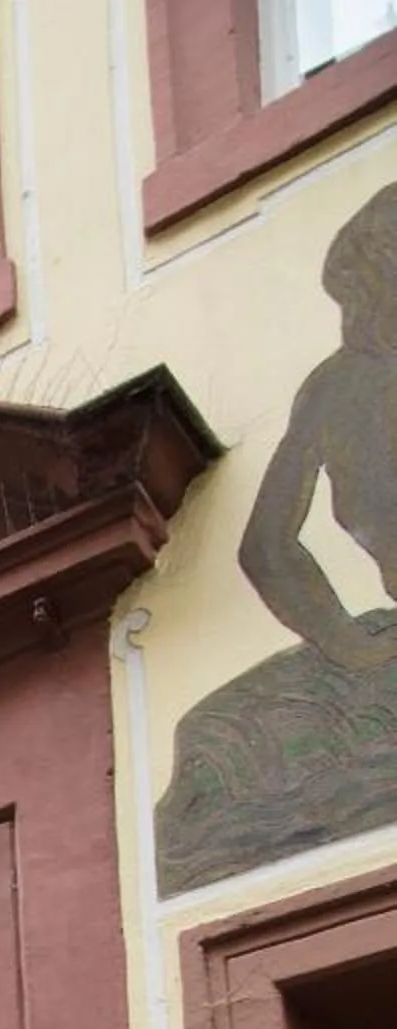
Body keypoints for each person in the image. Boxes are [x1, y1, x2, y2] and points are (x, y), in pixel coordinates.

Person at [157, 181, 397, 890]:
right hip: (381, 652)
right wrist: (347, 642)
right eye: (355, 290)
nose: (358, 310)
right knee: (212, 741)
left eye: (368, 284)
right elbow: (266, 547)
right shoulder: (337, 385)